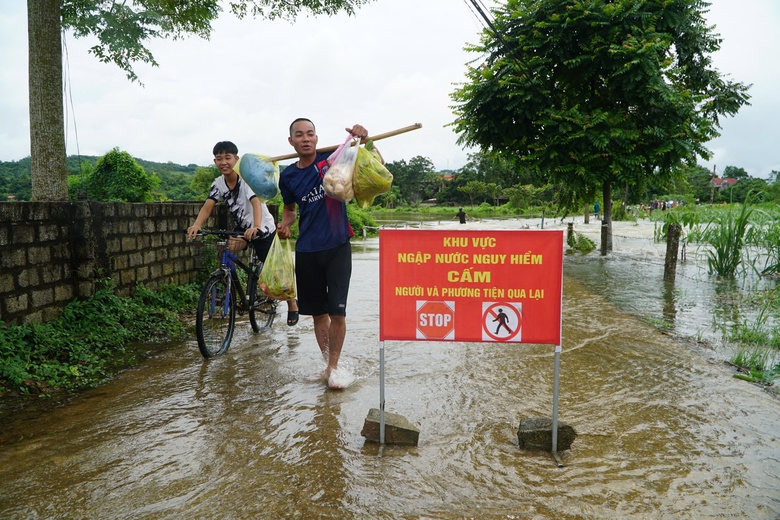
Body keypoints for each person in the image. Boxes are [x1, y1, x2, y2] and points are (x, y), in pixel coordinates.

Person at [276, 118, 371, 389]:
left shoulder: (333, 158)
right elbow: (290, 210)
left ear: (317, 138)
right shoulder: (288, 176)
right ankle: (328, 365)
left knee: (337, 312)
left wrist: (363, 139)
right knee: (318, 313)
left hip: (338, 244)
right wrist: (285, 225)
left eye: (310, 134)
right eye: (299, 135)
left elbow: (370, 164)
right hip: (306, 249)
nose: (305, 139)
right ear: (291, 141)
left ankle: (334, 367)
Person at [187, 141, 299, 326]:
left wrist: (256, 226)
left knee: (275, 270)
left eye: (227, 158)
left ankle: (292, 303)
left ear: (236, 159)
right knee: (226, 249)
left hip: (262, 228)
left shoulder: (245, 179)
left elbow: (255, 202)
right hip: (242, 227)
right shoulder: (218, 184)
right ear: (215, 161)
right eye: (219, 159)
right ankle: (226, 283)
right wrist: (197, 224)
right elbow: (208, 205)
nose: (223, 162)